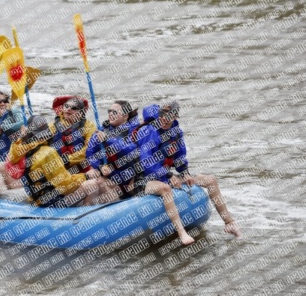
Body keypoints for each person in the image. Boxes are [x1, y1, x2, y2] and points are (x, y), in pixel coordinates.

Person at [137, 101, 242, 243]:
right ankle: (182, 233)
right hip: (145, 180)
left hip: (166, 176)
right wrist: (168, 175)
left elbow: (180, 157)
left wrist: (185, 172)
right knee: (165, 188)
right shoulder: (148, 131)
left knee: (210, 180)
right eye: (162, 117)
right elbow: (147, 163)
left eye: (169, 118)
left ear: (175, 117)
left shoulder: (176, 132)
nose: (165, 121)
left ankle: (229, 223)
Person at [5, 115, 87, 207]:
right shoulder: (48, 153)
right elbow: (66, 186)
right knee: (90, 185)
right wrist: (85, 177)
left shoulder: (19, 150)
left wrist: (22, 136)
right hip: (52, 202)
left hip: (34, 198)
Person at [80, 100, 142, 205]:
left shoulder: (135, 130)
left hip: (130, 180)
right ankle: (95, 212)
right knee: (98, 182)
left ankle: (119, 207)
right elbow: (90, 154)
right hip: (111, 180)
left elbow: (132, 150)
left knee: (100, 182)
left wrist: (108, 139)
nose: (110, 114)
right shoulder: (101, 131)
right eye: (109, 111)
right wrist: (100, 167)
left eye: (114, 112)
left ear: (125, 116)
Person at [48, 95, 96, 174]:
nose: (68, 109)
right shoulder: (52, 125)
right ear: (62, 108)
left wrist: (67, 160)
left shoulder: (89, 126)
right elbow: (42, 146)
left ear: (81, 113)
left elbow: (89, 149)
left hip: (80, 168)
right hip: (56, 167)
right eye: (66, 106)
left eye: (74, 108)